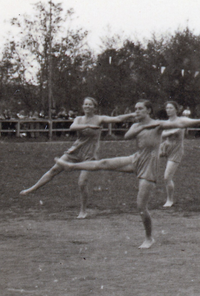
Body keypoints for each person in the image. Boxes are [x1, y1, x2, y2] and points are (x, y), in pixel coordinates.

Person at [57, 100, 182, 248]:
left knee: (141, 206)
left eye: (140, 109)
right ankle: (72, 166)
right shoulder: (137, 125)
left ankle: (149, 238)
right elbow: (127, 136)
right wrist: (145, 125)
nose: (136, 111)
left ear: (149, 110)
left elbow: (182, 123)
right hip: (136, 159)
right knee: (103, 163)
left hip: (149, 166)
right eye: (135, 109)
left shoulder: (159, 125)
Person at [20, 97, 136, 219]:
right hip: (75, 151)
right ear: (82, 107)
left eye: (90, 105)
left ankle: (83, 210)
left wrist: (132, 114)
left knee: (82, 183)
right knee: (54, 170)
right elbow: (72, 127)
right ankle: (31, 189)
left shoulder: (100, 118)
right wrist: (89, 127)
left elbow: (117, 119)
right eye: (85, 104)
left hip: (89, 154)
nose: (87, 107)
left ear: (94, 107)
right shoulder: (78, 119)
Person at [160, 101, 200, 208]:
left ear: (176, 110)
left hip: (176, 151)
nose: (168, 110)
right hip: (166, 148)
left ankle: (169, 200)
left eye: (171, 108)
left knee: (167, 177)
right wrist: (169, 135)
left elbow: (195, 122)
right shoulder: (166, 122)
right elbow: (161, 134)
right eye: (167, 108)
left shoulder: (182, 120)